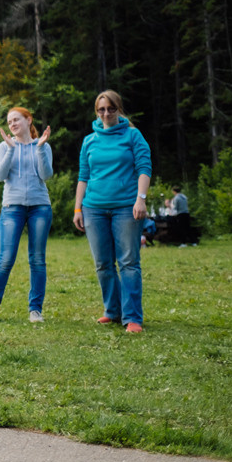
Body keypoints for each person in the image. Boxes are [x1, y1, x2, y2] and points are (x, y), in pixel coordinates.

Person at [72, 90, 152, 334]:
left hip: (126, 208)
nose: (106, 114)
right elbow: (83, 177)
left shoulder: (133, 135)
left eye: (111, 109)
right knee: (103, 264)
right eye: (101, 110)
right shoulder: (89, 140)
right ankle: (112, 311)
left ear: (119, 109)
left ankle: (132, 318)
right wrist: (78, 207)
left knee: (128, 262)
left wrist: (141, 199)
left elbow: (144, 168)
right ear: (97, 112)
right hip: (93, 209)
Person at [0, 107, 53, 324]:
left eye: (16, 120)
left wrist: (40, 148)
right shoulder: (4, 146)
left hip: (39, 207)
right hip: (12, 207)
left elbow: (46, 174)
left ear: (28, 120)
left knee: (37, 259)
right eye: (9, 121)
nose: (12, 124)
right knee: (5, 258)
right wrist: (11, 149)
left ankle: (35, 310)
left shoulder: (43, 145)